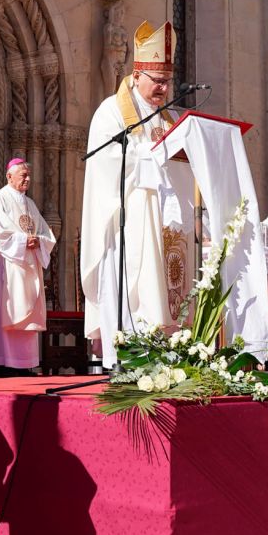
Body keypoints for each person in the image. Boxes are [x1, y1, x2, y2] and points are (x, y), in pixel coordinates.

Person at [81, 21, 198, 366]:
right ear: (136, 74)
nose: (163, 88)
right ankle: (131, 356)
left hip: (168, 223)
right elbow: (106, 161)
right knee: (139, 289)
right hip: (131, 222)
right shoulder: (112, 111)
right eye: (156, 81)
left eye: (167, 81)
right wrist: (148, 154)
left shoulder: (171, 114)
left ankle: (170, 354)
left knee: (169, 291)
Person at [0, 159, 55, 373]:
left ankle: (25, 363)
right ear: (9, 176)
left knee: (27, 313)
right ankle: (3, 363)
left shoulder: (30, 204)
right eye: (23, 175)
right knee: (8, 311)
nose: (28, 179)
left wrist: (39, 240)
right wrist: (22, 241)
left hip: (28, 266)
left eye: (29, 175)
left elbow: (46, 234)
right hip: (7, 266)